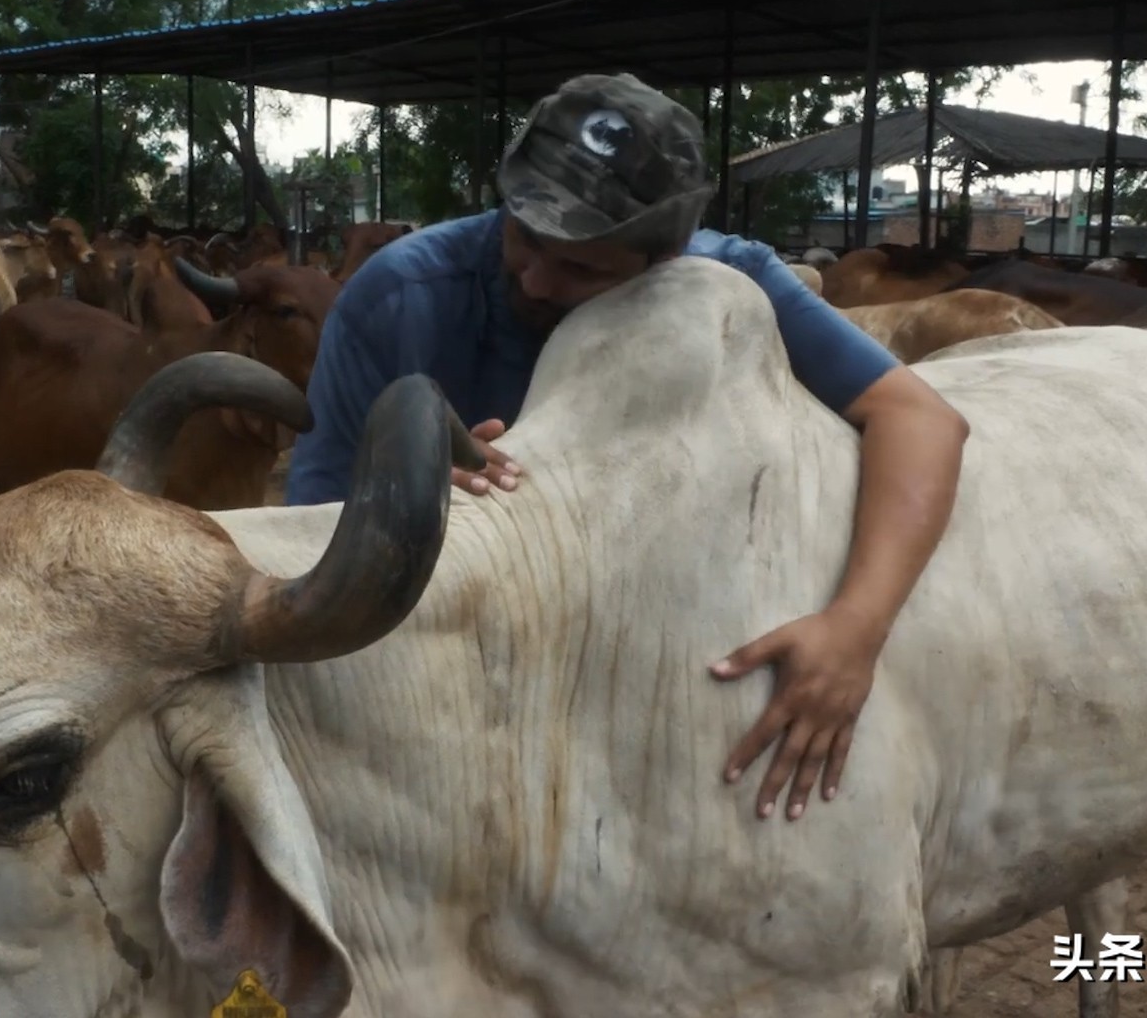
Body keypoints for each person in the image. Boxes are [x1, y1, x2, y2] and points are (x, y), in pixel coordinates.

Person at [285, 72, 969, 821]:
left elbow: (919, 419)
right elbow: (309, 525)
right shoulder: (397, 298)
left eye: (581, 266)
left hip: (651, 645)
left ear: (665, 259)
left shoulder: (725, 282)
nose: (536, 281)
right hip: (446, 666)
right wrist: (406, 495)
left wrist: (855, 629)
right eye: (524, 235)